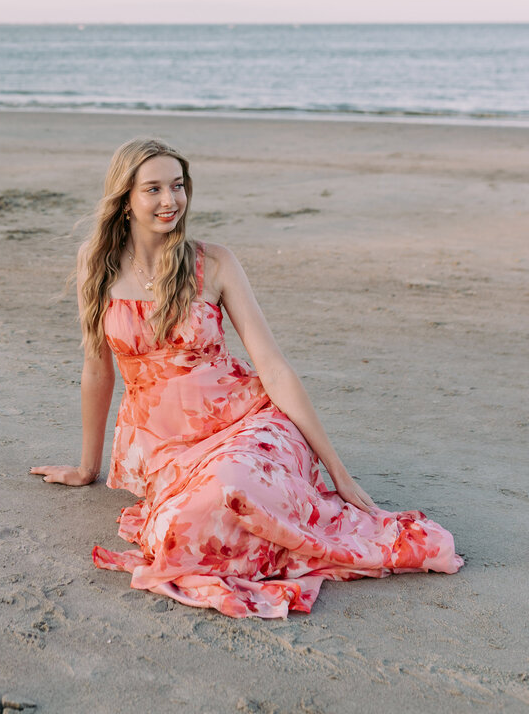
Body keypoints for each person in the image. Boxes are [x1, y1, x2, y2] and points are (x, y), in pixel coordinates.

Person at [31, 137, 463, 619]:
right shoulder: (96, 261)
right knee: (181, 528)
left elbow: (273, 367)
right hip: (168, 448)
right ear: (125, 200)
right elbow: (96, 368)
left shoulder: (213, 263)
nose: (170, 200)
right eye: (152, 189)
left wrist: (338, 472)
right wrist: (87, 467)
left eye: (177, 186)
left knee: (234, 481)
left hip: (250, 423)